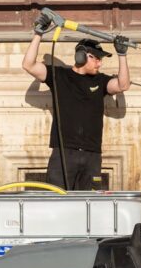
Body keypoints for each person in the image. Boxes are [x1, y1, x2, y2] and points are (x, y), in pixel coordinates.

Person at [22, 12, 131, 190]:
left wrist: (122, 55)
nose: (99, 64)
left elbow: (122, 85)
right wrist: (38, 34)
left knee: (90, 203)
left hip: (92, 155)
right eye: (96, 58)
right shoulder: (60, 75)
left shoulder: (100, 80)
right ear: (81, 56)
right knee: (57, 200)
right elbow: (28, 65)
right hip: (64, 153)